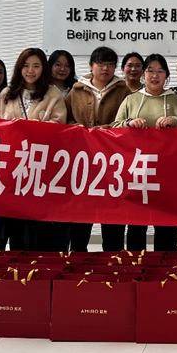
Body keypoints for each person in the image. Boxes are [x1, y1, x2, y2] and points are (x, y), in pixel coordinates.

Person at [0, 48, 67, 250]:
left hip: (40, 167)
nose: (30, 71)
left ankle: (40, 264)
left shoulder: (53, 94)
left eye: (36, 66)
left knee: (39, 224)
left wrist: (31, 127)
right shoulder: (7, 94)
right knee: (16, 223)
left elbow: (59, 127)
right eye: (26, 66)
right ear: (19, 68)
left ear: (43, 69)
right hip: (13, 168)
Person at [113, 54, 177, 251]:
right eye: (150, 71)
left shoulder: (176, 100)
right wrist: (130, 123)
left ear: (166, 75)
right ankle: (136, 264)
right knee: (136, 226)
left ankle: (166, 267)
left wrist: (174, 121)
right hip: (138, 171)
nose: (155, 76)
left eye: (160, 71)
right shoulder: (131, 99)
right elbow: (114, 127)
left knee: (166, 227)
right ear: (143, 74)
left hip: (168, 173)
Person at [65, 46, 132, 252]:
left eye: (110, 64)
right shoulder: (76, 91)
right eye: (101, 63)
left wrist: (107, 129)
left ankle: (113, 261)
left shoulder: (124, 91)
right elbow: (66, 118)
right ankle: (78, 260)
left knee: (113, 217)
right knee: (81, 218)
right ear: (91, 65)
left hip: (113, 163)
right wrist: (75, 127)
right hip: (83, 162)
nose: (105, 68)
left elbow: (128, 121)